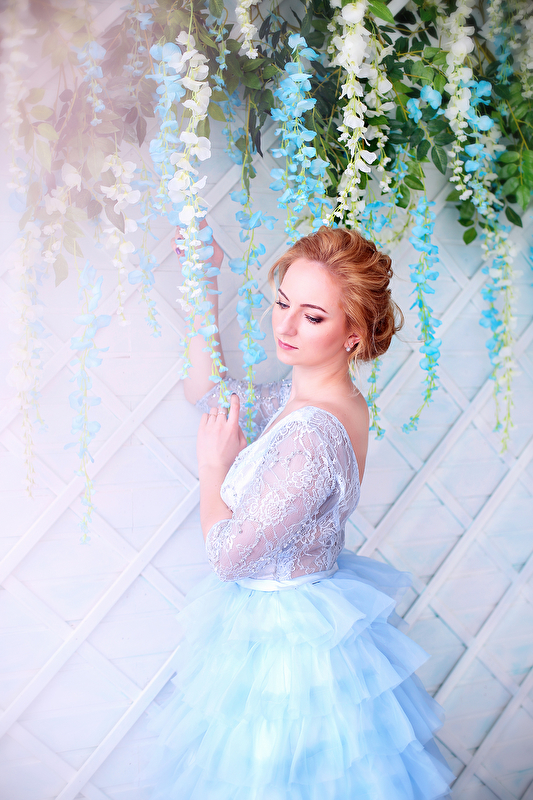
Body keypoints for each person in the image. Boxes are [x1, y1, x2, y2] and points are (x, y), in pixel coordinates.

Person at [147, 225, 454, 799]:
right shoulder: (301, 397)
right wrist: (203, 278)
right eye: (282, 304)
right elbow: (209, 392)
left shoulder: (314, 431)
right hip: (280, 623)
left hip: (292, 650)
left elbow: (229, 557)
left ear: (354, 335)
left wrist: (212, 468)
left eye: (312, 317)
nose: (285, 327)